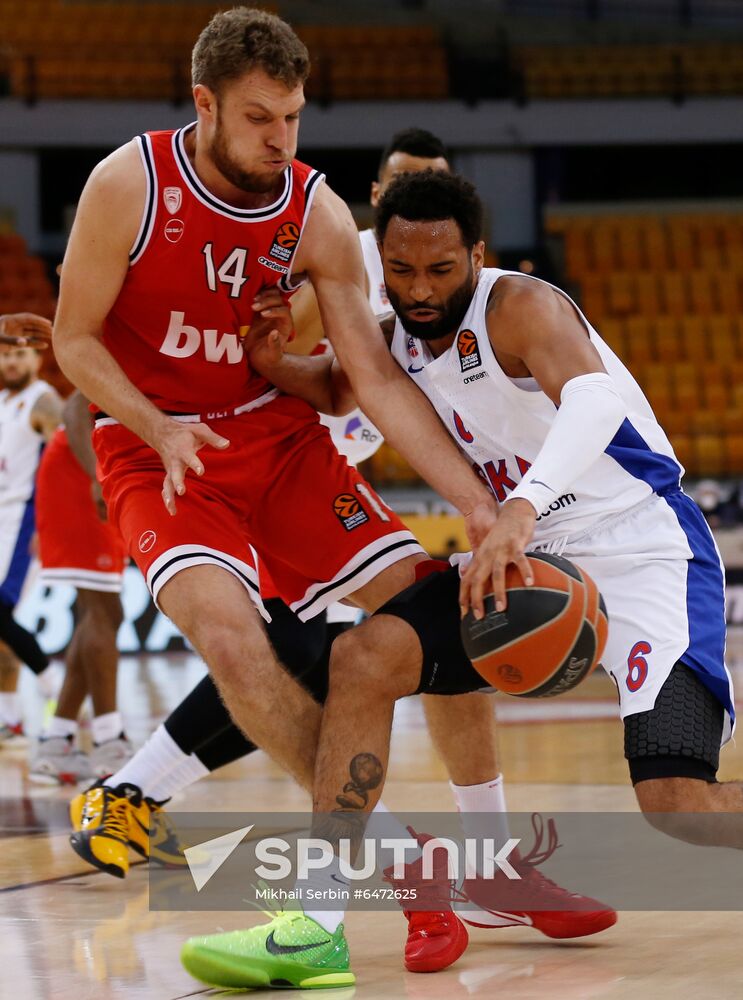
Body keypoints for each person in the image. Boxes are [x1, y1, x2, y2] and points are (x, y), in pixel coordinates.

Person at [52, 8, 506, 989]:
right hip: (158, 447)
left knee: (432, 600)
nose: (281, 140)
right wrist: (155, 420)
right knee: (231, 645)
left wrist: (473, 499)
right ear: (204, 102)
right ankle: (396, 859)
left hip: (280, 438)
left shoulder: (317, 211)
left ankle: (495, 855)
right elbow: (73, 338)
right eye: (260, 118)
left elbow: (371, 382)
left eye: (293, 117)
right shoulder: (127, 185)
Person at [230, 169, 740, 934]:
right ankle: (316, 920)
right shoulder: (395, 326)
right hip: (524, 552)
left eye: (440, 269)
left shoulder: (520, 307)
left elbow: (594, 399)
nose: (420, 289)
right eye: (401, 271)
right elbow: (345, 388)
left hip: (639, 546)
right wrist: (279, 367)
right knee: (363, 659)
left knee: (678, 807)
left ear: (476, 253)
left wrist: (520, 508)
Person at [29, 390, 133, 783]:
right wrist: (96, 476)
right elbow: (75, 406)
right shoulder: (131, 339)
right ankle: (110, 743)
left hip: (93, 468)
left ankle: (56, 744)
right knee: (104, 610)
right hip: (83, 470)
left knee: (99, 613)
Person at [0, 334, 63, 740]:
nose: (11, 363)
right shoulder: (3, 402)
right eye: (5, 355)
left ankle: (53, 687)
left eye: (19, 355)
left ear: (37, 359)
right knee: (3, 633)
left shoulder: (45, 400)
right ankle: (12, 720)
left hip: (23, 522)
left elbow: (66, 462)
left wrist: (50, 522)